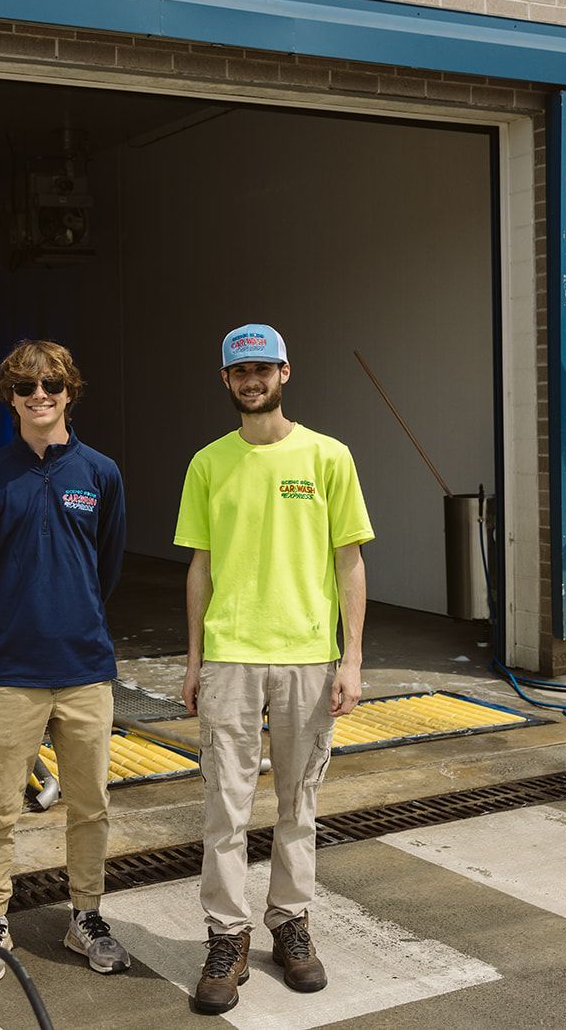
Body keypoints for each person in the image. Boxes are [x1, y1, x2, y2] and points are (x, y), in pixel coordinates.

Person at [174, 323, 373, 1015]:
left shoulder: (328, 457)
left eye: (263, 368)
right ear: (225, 380)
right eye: (239, 370)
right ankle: (227, 937)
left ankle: (290, 923)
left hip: (308, 657)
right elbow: (199, 568)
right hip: (230, 657)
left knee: (298, 804)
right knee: (225, 808)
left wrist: (350, 659)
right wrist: (196, 660)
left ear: (285, 371)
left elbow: (350, 562)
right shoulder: (207, 464)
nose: (251, 380)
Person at [0, 339, 131, 982]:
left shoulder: (101, 473)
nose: (40, 396)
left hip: (85, 666)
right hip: (11, 671)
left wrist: (72, 614)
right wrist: (9, 625)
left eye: (52, 385)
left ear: (69, 392)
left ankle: (84, 915)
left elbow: (106, 565)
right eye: (27, 387)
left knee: (91, 806)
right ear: (10, 396)